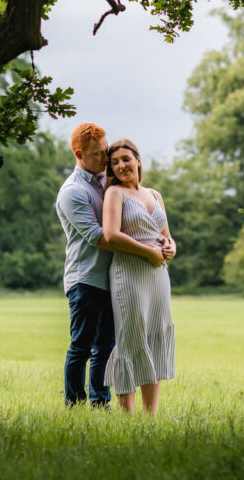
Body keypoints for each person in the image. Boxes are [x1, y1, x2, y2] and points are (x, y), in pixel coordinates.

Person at [55, 123, 164, 408]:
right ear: (79, 154)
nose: (106, 159)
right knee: (81, 347)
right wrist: (148, 252)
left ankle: (100, 404)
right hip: (86, 277)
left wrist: (164, 243)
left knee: (106, 347)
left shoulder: (107, 182)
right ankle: (75, 405)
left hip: (115, 278)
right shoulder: (73, 192)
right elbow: (99, 238)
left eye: (106, 152)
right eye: (98, 154)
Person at [101, 138, 177, 415]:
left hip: (158, 275)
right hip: (128, 273)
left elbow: (167, 235)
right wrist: (147, 251)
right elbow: (110, 235)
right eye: (115, 162)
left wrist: (171, 247)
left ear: (138, 160)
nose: (121, 166)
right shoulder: (115, 194)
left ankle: (150, 416)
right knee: (132, 337)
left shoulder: (155, 195)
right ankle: (126, 415)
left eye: (126, 159)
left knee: (155, 335)